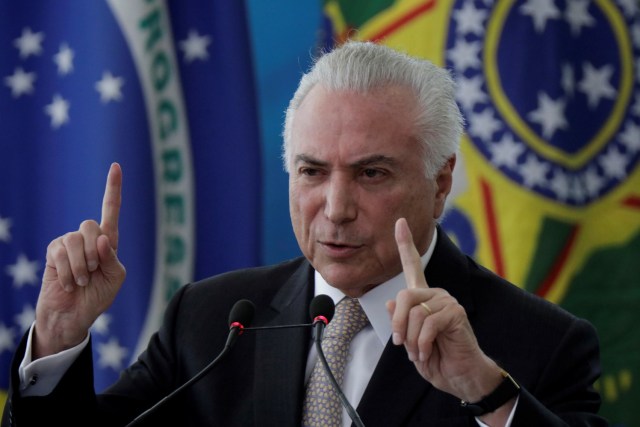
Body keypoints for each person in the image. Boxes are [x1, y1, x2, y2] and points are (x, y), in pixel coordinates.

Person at [2, 41, 606, 427]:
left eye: (372, 173)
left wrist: (487, 395)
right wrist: (58, 336)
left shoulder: (537, 345)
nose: (336, 209)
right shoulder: (210, 320)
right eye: (313, 172)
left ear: (441, 181)